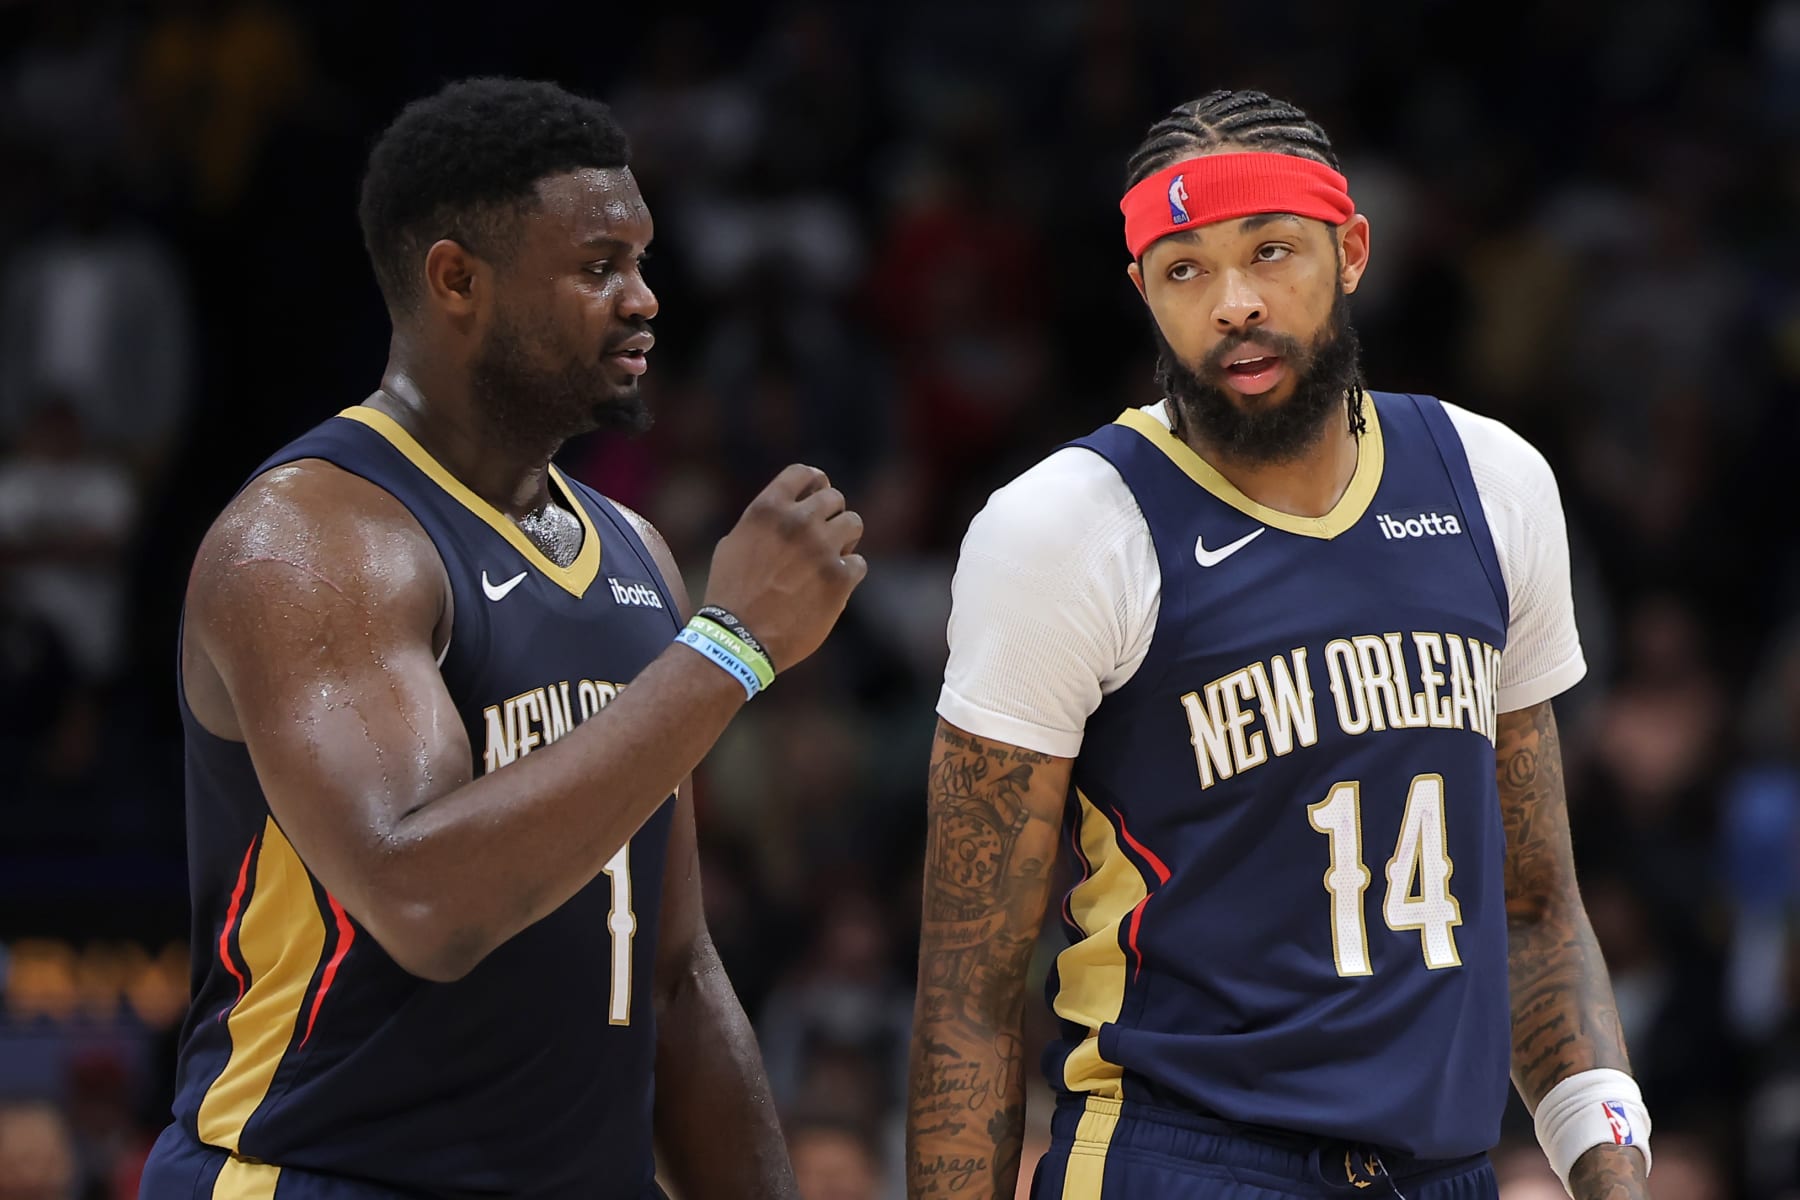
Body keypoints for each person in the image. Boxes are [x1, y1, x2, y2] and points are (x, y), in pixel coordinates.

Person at [905, 90, 1653, 1200]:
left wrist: (1609, 1171)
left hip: (1444, 1168)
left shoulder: (1491, 482)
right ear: (1143, 294)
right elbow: (970, 985)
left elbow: (1537, 909)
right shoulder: (1063, 528)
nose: (1235, 304)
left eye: (1271, 252)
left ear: (1351, 249)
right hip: (1182, 1156)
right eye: (1185, 270)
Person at [139, 76, 866, 1199]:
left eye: (643, 259)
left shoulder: (632, 551)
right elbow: (422, 900)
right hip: (323, 1174)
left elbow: (669, 972)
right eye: (597, 267)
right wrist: (730, 648)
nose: (644, 299)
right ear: (456, 280)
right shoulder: (311, 540)